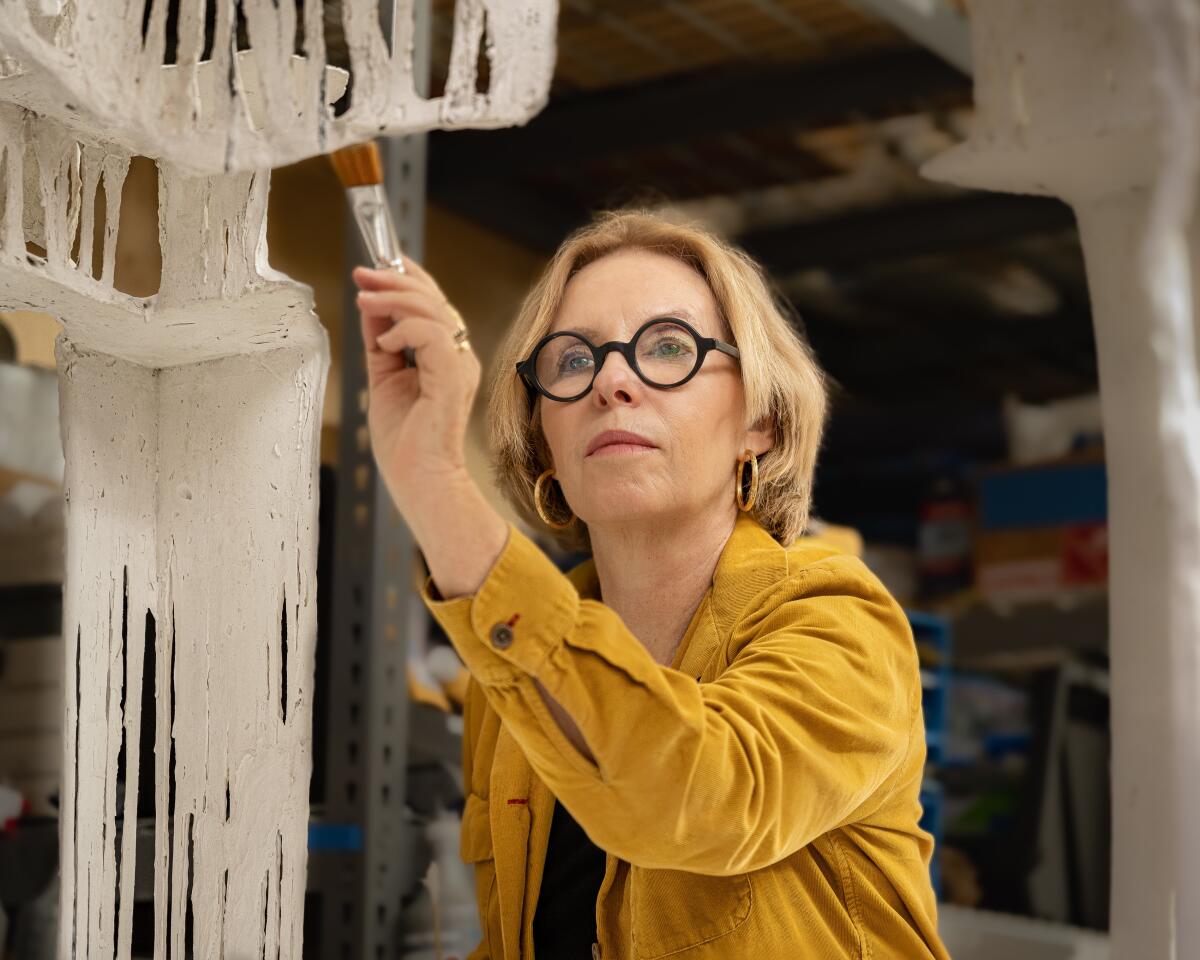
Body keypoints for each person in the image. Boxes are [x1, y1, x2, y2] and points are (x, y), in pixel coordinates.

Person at [352, 211, 949, 960]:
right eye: (571, 361)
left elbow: (699, 802)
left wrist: (438, 486)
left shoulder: (836, 618)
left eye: (669, 347)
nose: (611, 381)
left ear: (759, 420)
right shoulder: (507, 690)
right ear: (544, 438)